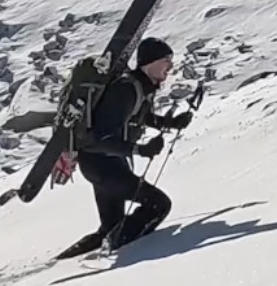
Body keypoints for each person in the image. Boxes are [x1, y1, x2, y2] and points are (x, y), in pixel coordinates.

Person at [56, 37, 190, 256]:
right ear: (150, 62)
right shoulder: (126, 89)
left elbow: (137, 117)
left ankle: (60, 263)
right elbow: (101, 136)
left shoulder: (139, 87)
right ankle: (112, 252)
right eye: (166, 60)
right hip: (103, 165)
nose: (170, 67)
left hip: (103, 165)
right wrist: (139, 149)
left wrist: (170, 123)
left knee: (111, 226)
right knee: (158, 205)